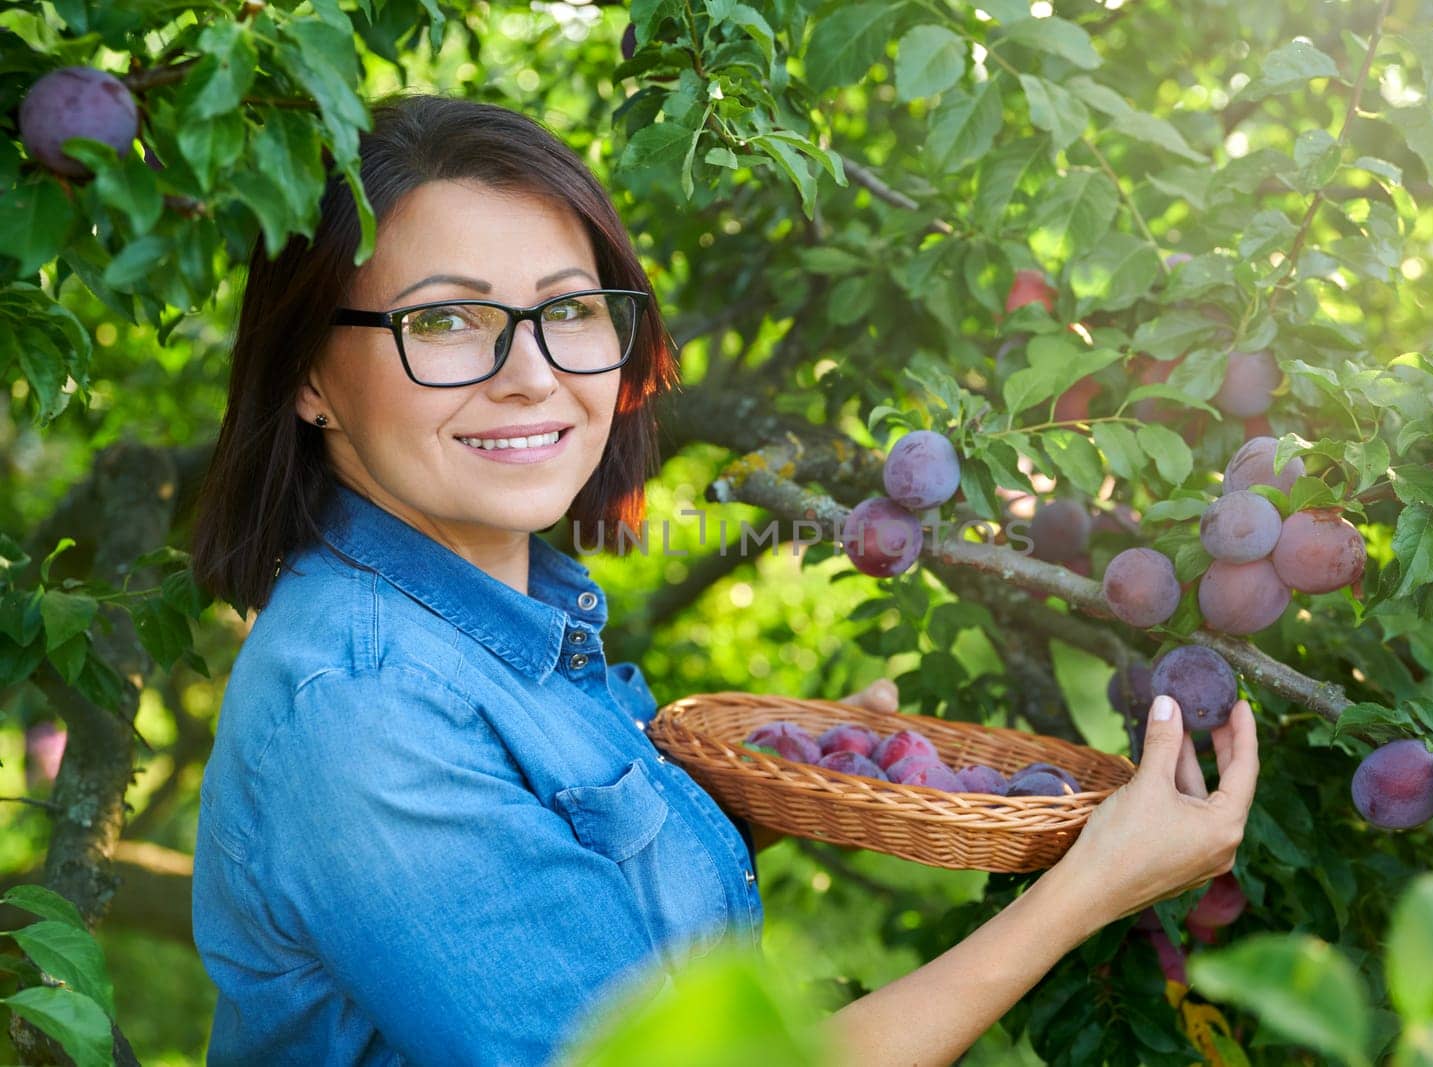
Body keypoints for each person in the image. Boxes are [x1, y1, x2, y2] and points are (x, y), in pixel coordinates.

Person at [188, 92, 1258, 1067]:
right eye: (445, 321)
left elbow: (578, 938)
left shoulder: (504, 627)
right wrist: (1088, 889)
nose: (533, 375)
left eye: (570, 310)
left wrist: (768, 795)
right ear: (312, 376)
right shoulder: (367, 704)